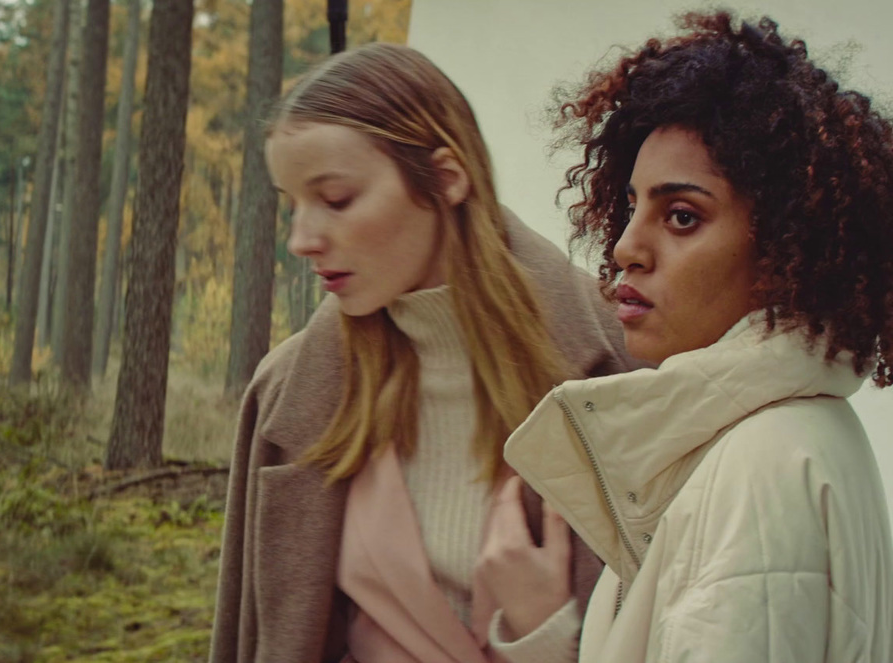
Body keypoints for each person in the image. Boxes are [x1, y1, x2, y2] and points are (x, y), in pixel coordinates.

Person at [210, 43, 639, 663]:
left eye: (335, 200)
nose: (301, 240)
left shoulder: (624, 370)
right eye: (292, 204)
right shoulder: (287, 391)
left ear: (446, 177)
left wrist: (546, 637)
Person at [486, 12, 893, 662]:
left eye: (682, 216)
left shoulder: (760, 466)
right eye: (632, 205)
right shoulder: (789, 436)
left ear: (788, 245)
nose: (624, 247)